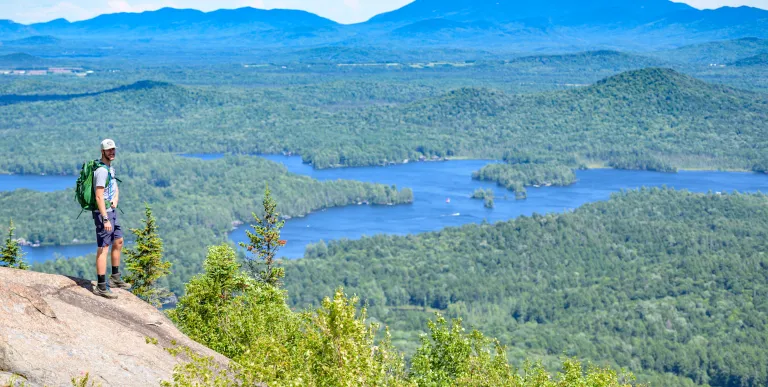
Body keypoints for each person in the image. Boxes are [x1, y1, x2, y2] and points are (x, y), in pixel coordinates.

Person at [92, 139, 131, 299]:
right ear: (102, 152)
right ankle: (101, 286)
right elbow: (98, 196)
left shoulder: (110, 168)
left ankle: (115, 278)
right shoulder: (101, 171)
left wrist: (115, 198)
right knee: (103, 247)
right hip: (104, 214)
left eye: (113, 149)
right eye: (109, 150)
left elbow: (114, 187)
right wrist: (105, 219)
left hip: (111, 210)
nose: (112, 152)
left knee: (119, 241)